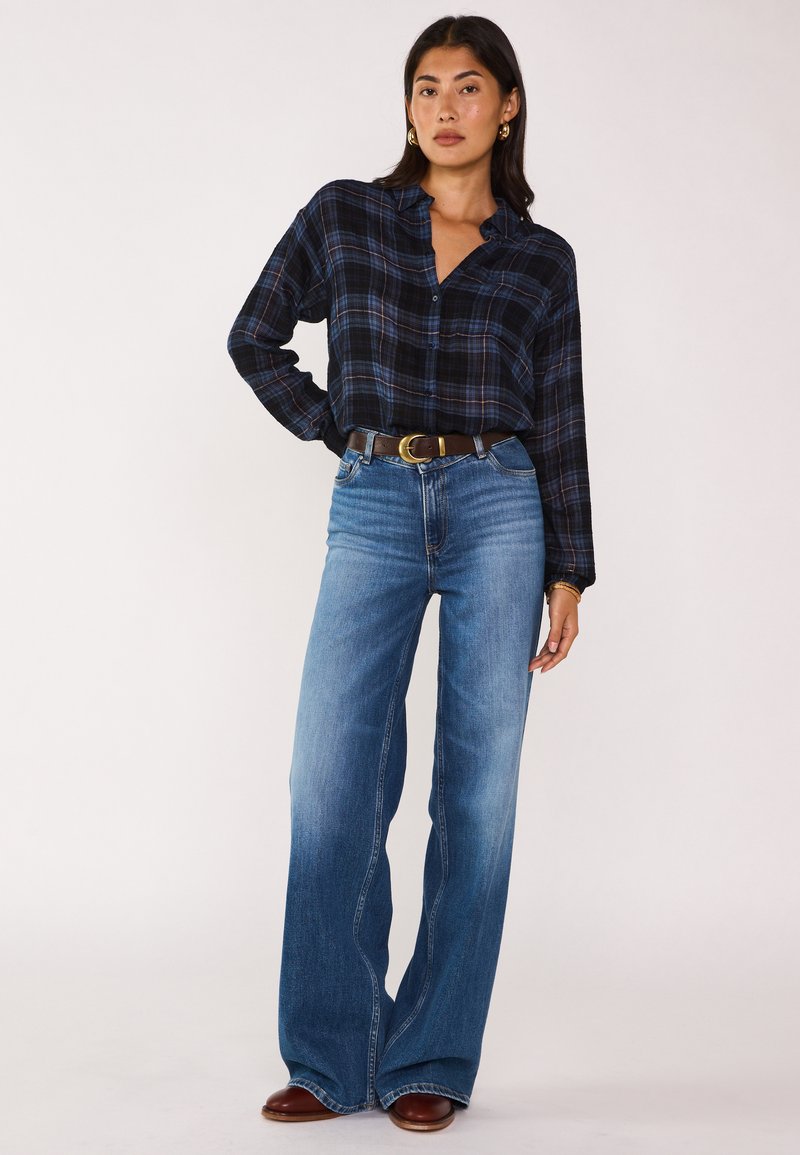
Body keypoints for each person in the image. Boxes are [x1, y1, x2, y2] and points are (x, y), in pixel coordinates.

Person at [226, 13, 596, 1133]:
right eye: (426, 87)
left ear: (507, 108)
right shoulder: (346, 214)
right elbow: (253, 336)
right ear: (406, 106)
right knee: (331, 779)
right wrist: (336, 427)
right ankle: (332, 1056)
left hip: (500, 505)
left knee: (475, 792)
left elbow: (560, 417)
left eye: (468, 87)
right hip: (375, 502)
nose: (444, 107)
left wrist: (570, 568)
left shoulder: (540, 259)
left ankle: (430, 1056)